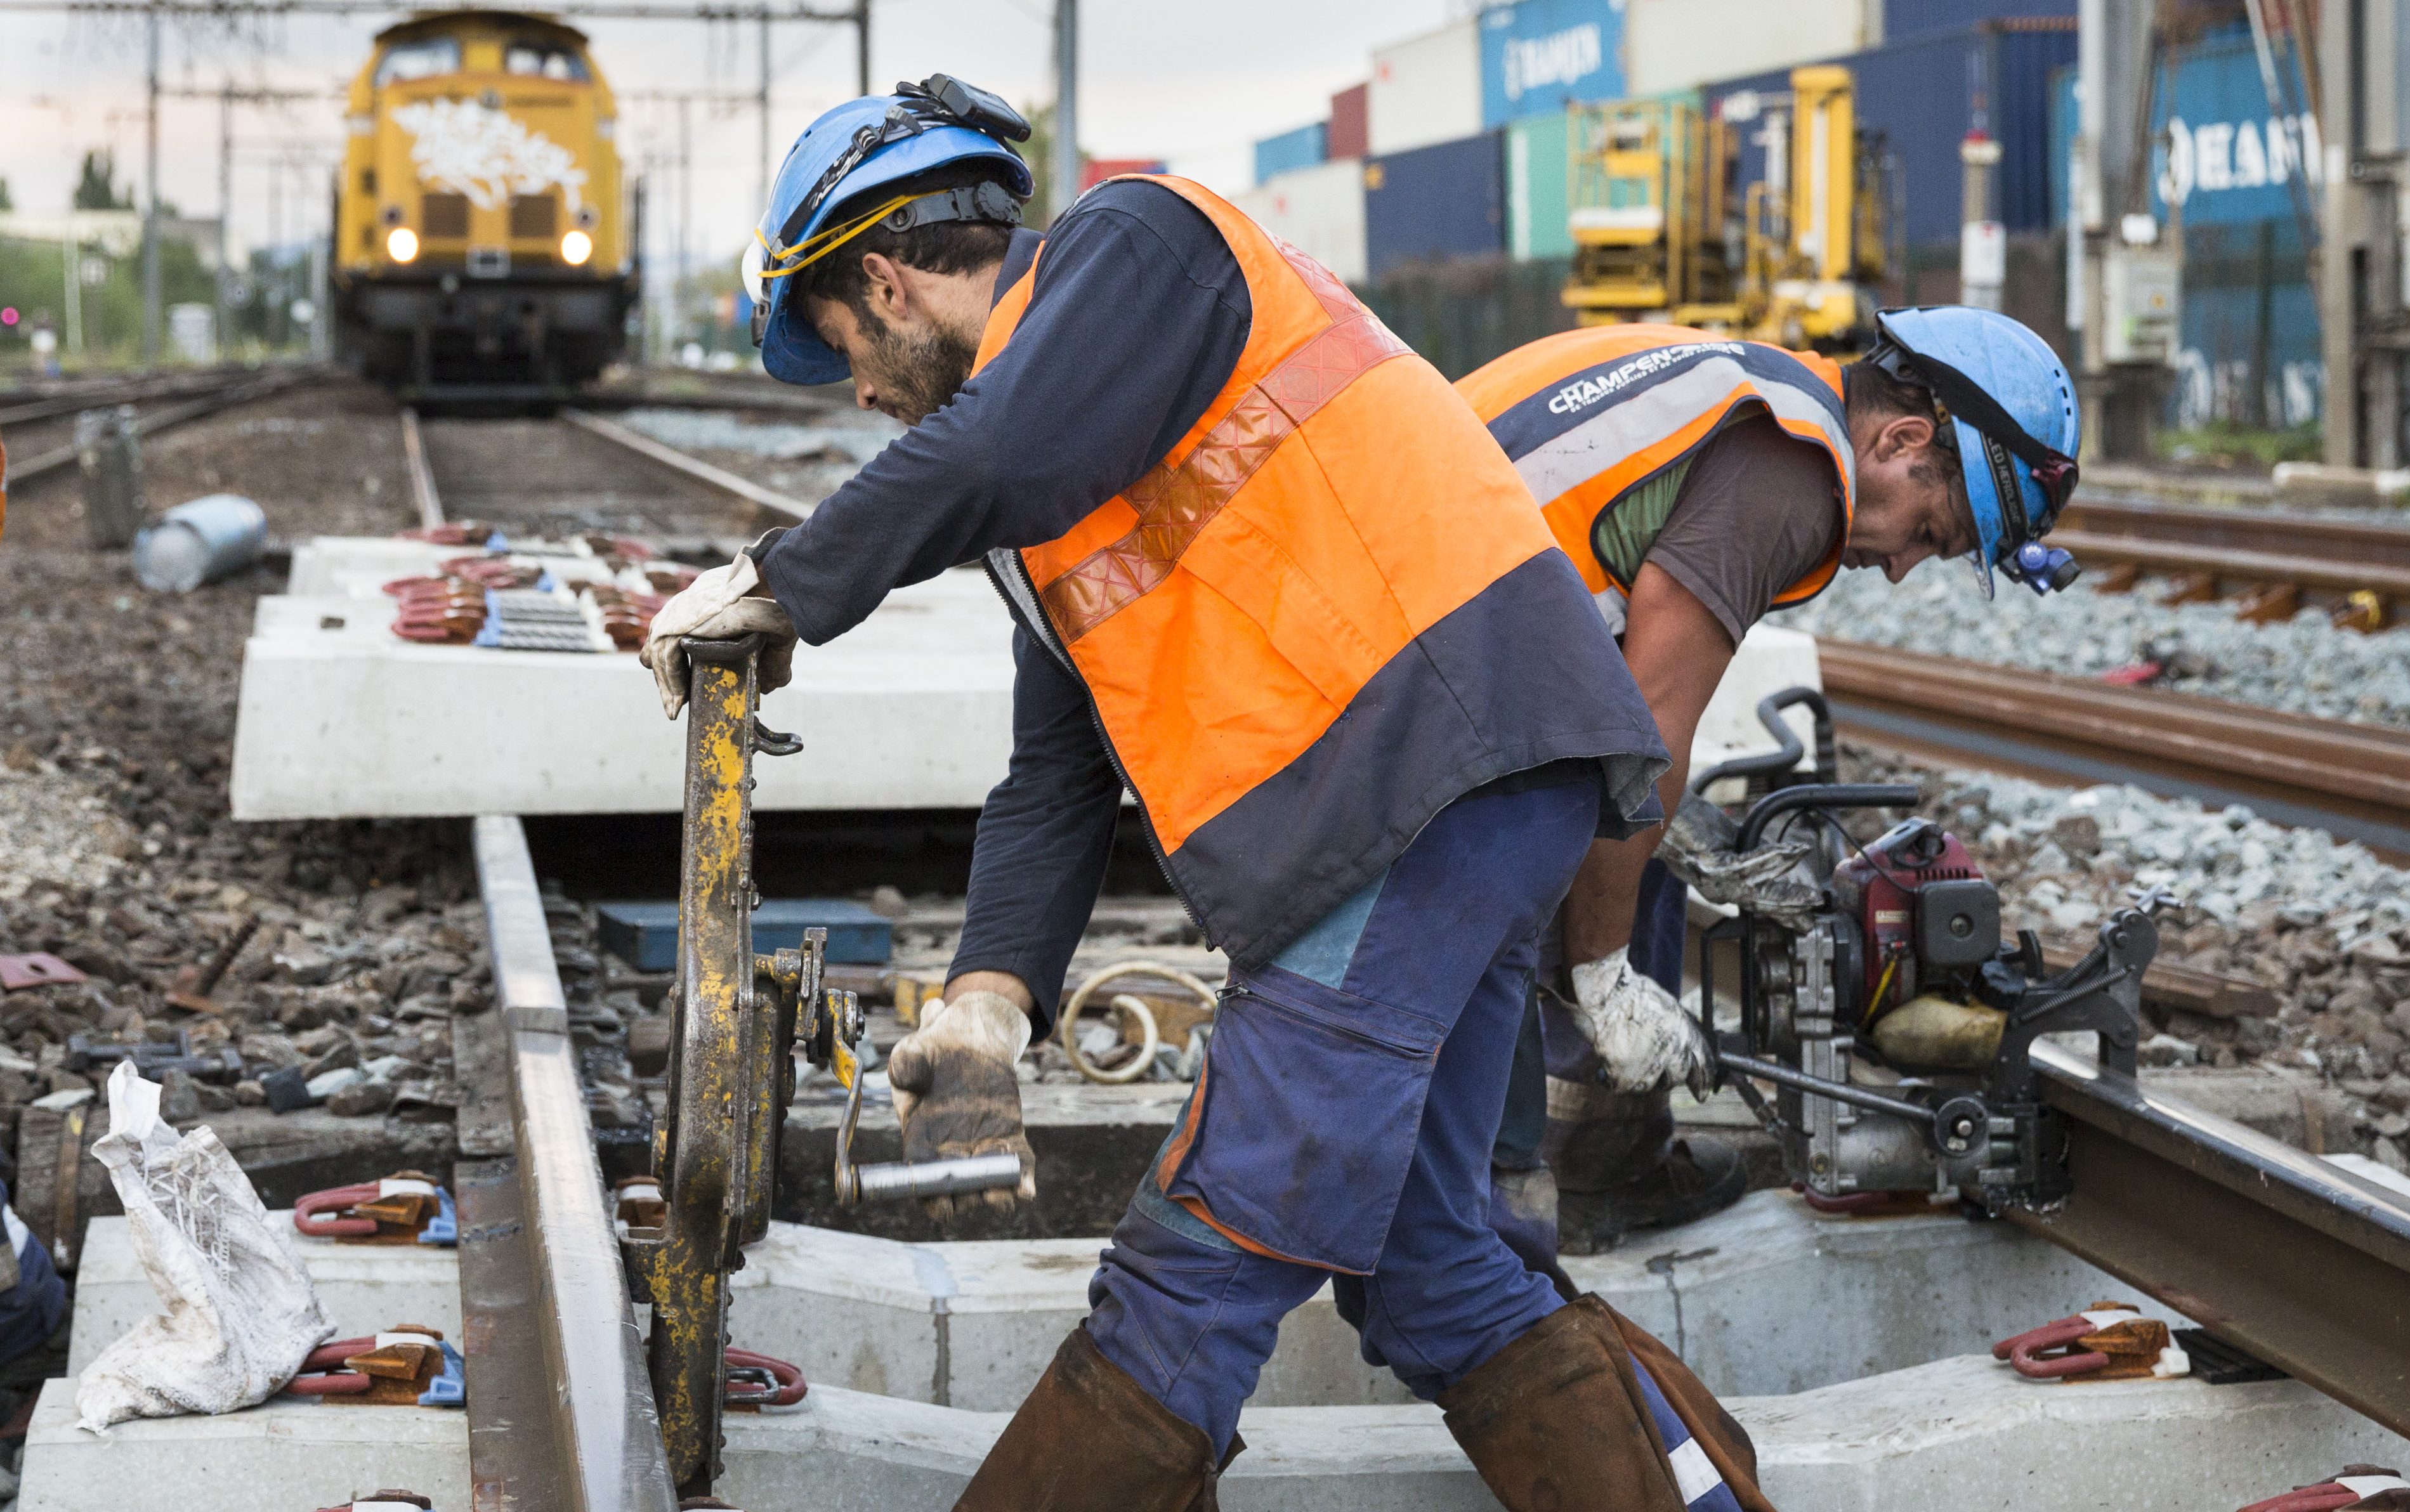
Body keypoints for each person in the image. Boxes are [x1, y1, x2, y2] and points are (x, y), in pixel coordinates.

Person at [641, 76, 1775, 1512]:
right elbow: (1053, 776)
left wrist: (785, 585)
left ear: (883, 278)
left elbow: (993, 448)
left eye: (845, 351)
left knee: (1204, 1254)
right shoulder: (1047, 492)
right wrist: (989, 1000)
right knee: (1431, 1272)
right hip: (1450, 798)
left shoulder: (1137, 244)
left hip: (1421, 778)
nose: (862, 394)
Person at [1454, 310, 2083, 1260]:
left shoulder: (1757, 383)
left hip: (1408, 635)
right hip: (1382, 680)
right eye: (1928, 529)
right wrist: (1600, 974)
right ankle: (1491, 1251)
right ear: (1904, 439)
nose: (1903, 567)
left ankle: (1602, 1161)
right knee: (1492, 924)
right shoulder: (1792, 470)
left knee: (1640, 855)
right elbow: (1644, 732)